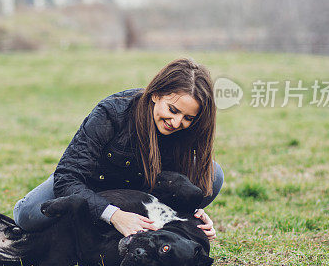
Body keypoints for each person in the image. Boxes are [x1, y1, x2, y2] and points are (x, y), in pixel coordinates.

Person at [13, 57, 222, 241]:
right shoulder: (111, 112)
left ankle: (140, 225)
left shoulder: (187, 132)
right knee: (28, 215)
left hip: (139, 196)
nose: (176, 122)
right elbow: (68, 176)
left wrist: (191, 214)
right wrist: (113, 214)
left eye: (188, 118)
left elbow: (174, 184)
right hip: (91, 186)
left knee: (214, 175)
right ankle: (98, 223)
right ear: (156, 94)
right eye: (173, 110)